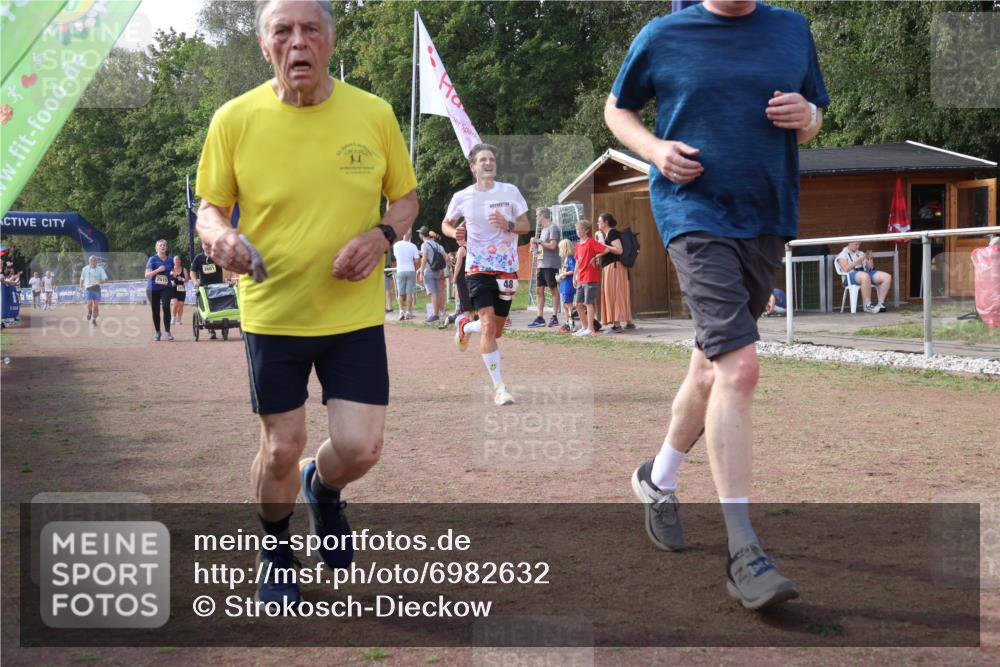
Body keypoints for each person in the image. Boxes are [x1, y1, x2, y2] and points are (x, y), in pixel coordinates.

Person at [605, 0, 828, 610]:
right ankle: (743, 550)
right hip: (693, 211)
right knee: (740, 366)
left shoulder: (791, 29)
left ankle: (657, 479)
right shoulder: (664, 34)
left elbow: (813, 118)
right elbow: (617, 108)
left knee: (710, 365)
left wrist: (807, 114)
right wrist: (652, 150)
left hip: (768, 214)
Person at [195, 0, 418, 608]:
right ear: (265, 46)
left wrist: (381, 237)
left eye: (310, 30)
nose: (298, 43)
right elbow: (209, 206)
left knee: (360, 449)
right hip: (274, 313)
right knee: (281, 447)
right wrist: (219, 237)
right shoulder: (234, 119)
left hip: (352, 315)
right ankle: (275, 551)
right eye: (283, 31)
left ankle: (323, 488)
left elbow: (406, 198)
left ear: (329, 41)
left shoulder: (372, 114)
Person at [443, 142, 530, 406]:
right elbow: (446, 224)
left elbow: (526, 225)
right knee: (489, 325)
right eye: (483, 160)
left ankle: (465, 325)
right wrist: (454, 233)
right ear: (473, 167)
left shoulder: (510, 191)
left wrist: (508, 224)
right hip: (477, 267)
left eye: (491, 159)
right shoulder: (462, 196)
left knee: (496, 331)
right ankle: (500, 387)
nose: (488, 163)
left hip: (506, 268)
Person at [594, 212, 634, 332]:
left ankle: (617, 325)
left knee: (614, 293)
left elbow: (619, 250)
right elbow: (608, 250)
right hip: (611, 267)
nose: (597, 223)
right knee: (617, 292)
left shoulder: (612, 233)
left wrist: (603, 246)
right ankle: (628, 322)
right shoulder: (607, 234)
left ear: (606, 222)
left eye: (599, 221)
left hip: (614, 268)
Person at [528, 208, 562, 328]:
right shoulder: (543, 230)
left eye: (537, 215)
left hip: (550, 264)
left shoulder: (553, 228)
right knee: (539, 290)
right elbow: (542, 245)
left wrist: (539, 242)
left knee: (553, 288)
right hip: (541, 264)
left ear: (542, 215)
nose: (536, 218)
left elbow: (553, 246)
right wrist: (535, 248)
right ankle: (540, 317)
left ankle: (554, 316)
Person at [572, 220, 606, 336]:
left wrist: (596, 256)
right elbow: (577, 261)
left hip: (590, 276)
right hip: (580, 277)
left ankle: (591, 329)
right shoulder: (577, 245)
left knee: (589, 303)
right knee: (578, 304)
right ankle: (584, 326)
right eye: (576, 229)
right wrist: (574, 275)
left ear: (586, 230)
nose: (577, 231)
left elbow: (605, 249)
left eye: (579, 229)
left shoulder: (591, 242)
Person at [836, 241, 891, 313]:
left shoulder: (860, 253)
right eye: (856, 244)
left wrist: (869, 259)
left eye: (859, 245)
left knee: (887, 277)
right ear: (850, 243)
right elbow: (846, 269)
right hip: (850, 276)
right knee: (865, 276)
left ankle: (880, 304)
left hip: (864, 273)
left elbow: (870, 268)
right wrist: (858, 260)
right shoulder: (842, 255)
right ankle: (868, 305)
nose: (858, 247)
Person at [191, 240, 227, 339]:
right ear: (202, 246)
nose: (207, 246)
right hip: (204, 287)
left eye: (209, 245)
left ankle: (224, 325)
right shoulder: (198, 258)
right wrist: (195, 282)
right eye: (205, 245)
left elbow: (225, 267)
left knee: (221, 305)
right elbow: (192, 272)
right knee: (207, 306)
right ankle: (211, 330)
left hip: (218, 286)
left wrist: (227, 279)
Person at [144, 240, 174, 341]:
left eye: (164, 245)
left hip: (166, 287)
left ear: (166, 247)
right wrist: (158, 270)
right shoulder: (152, 259)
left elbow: (173, 271)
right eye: (160, 245)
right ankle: (157, 332)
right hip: (153, 288)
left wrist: (173, 276)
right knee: (155, 310)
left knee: (166, 306)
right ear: (156, 248)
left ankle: (167, 331)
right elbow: (146, 275)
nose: (162, 247)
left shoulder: (171, 259)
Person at [417, 226, 446, 323]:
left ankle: (435, 314)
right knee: (437, 292)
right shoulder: (437, 245)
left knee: (433, 293)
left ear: (422, 235)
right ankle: (437, 312)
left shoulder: (424, 245)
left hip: (429, 271)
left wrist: (421, 271)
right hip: (437, 271)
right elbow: (445, 256)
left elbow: (424, 259)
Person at [392, 229, 420, 320]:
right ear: (411, 236)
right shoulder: (413, 246)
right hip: (410, 270)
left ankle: (401, 311)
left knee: (400, 293)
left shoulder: (396, 245)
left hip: (400, 270)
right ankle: (408, 312)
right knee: (409, 293)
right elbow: (417, 260)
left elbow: (396, 256)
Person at [79, 255, 108, 328]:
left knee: (96, 306)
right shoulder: (85, 269)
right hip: (88, 288)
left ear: (96, 262)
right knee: (89, 304)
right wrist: (81, 287)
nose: (93, 262)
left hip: (97, 288)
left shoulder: (100, 269)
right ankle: (89, 312)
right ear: (89, 261)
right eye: (92, 260)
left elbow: (105, 279)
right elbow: (81, 279)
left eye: (95, 260)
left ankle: (94, 320)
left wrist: (101, 281)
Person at [557, 238, 577, 332]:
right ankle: (567, 322)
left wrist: (564, 274)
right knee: (565, 304)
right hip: (564, 284)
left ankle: (572, 321)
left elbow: (573, 271)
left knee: (568, 304)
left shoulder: (571, 259)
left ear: (565, 249)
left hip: (569, 285)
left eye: (560, 248)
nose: (560, 250)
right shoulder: (565, 259)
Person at [169, 255, 189, 326]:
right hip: (173, 289)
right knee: (175, 304)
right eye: (175, 260)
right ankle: (173, 318)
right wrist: (171, 282)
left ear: (180, 261)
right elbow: (168, 278)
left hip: (181, 288)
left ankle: (179, 320)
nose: (177, 261)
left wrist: (182, 279)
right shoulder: (171, 269)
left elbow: (187, 280)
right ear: (173, 262)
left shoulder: (184, 269)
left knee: (181, 305)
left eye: (178, 260)